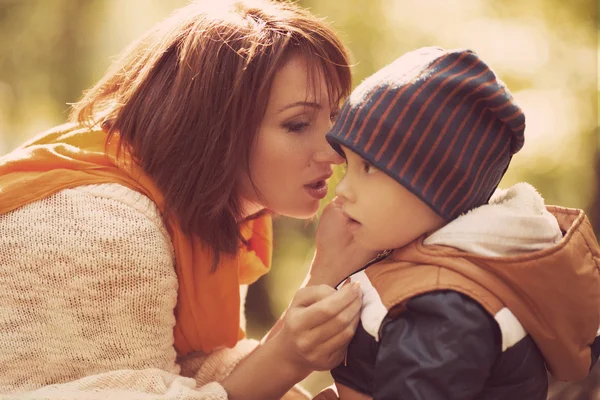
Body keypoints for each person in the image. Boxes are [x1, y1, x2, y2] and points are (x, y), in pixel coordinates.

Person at [0, 1, 370, 399]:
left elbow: (186, 364)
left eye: (335, 118)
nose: (334, 151)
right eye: (297, 124)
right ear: (213, 127)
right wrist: (287, 357)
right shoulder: (105, 234)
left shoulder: (201, 215)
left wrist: (320, 286)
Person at [315, 46, 600, 399]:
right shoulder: (440, 271)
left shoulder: (443, 307)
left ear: (436, 187)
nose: (342, 189)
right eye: (348, 166)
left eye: (368, 168)